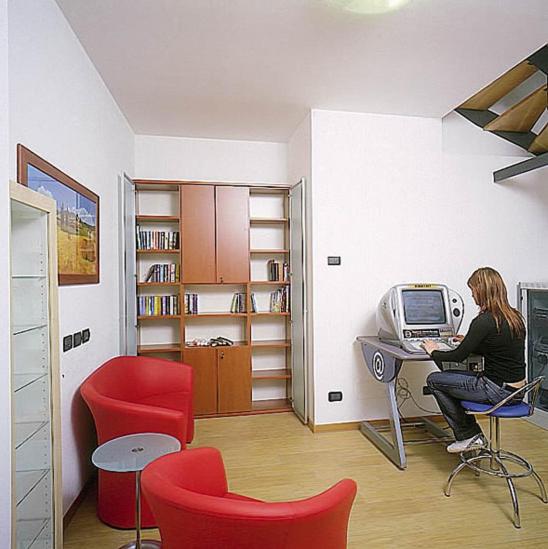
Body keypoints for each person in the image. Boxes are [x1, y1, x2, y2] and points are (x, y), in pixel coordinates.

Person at [422, 267, 526, 453]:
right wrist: (469, 341)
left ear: (482, 290)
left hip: (497, 391)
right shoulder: (514, 317)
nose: (472, 295)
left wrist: (433, 351)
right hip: (518, 391)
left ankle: (468, 435)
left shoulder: (484, 321)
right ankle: (472, 435)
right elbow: (498, 347)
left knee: (434, 380)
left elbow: (457, 356)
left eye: (473, 290)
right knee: (450, 376)